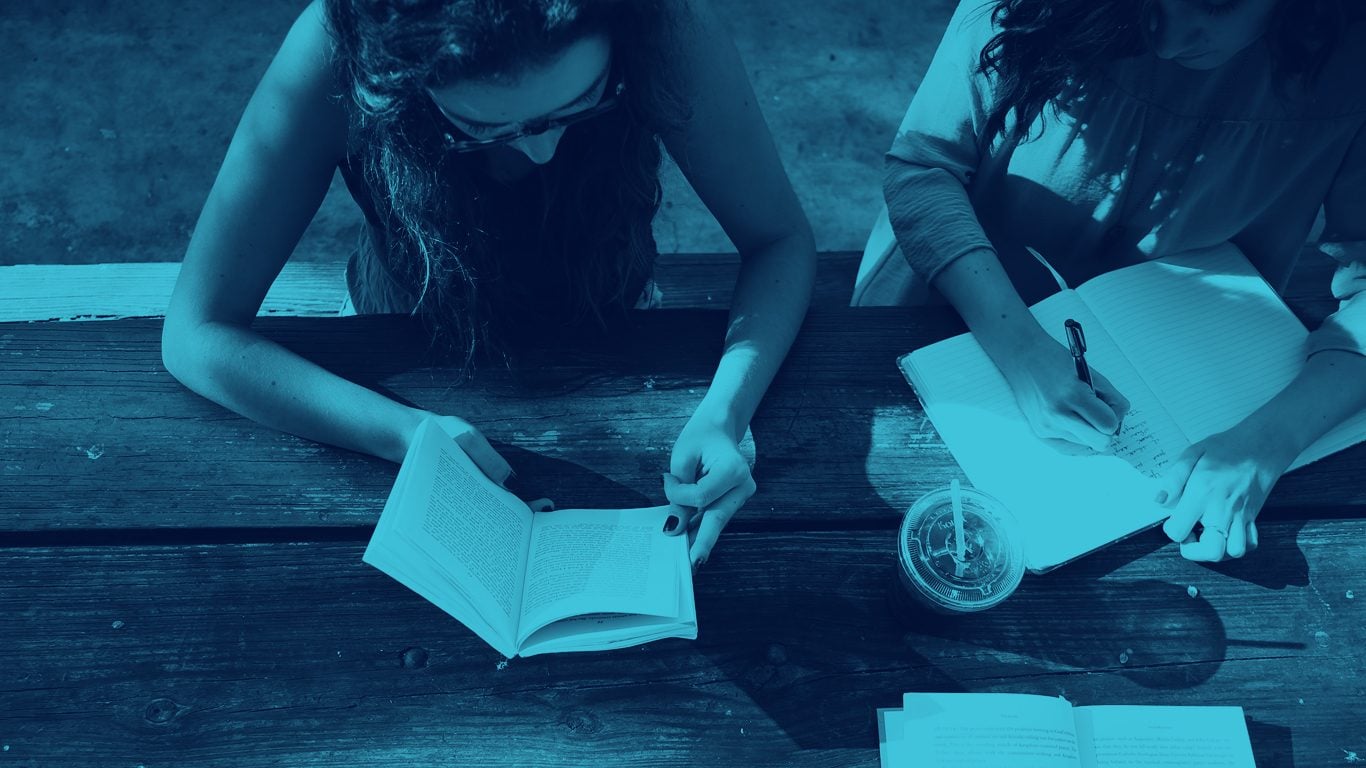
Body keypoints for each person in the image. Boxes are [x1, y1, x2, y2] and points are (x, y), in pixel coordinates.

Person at [162, 0, 816, 571]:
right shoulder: (337, 50)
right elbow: (196, 333)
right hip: (397, 339)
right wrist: (404, 433)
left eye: (581, 105)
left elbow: (779, 240)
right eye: (483, 129)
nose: (542, 153)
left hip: (615, 321)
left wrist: (724, 414)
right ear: (392, 81)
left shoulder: (665, 24)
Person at [859, 0, 1366, 562]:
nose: (1169, 43)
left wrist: (1268, 443)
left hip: (1204, 382)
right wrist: (1022, 349)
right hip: (954, 303)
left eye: (1216, 6)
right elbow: (924, 166)